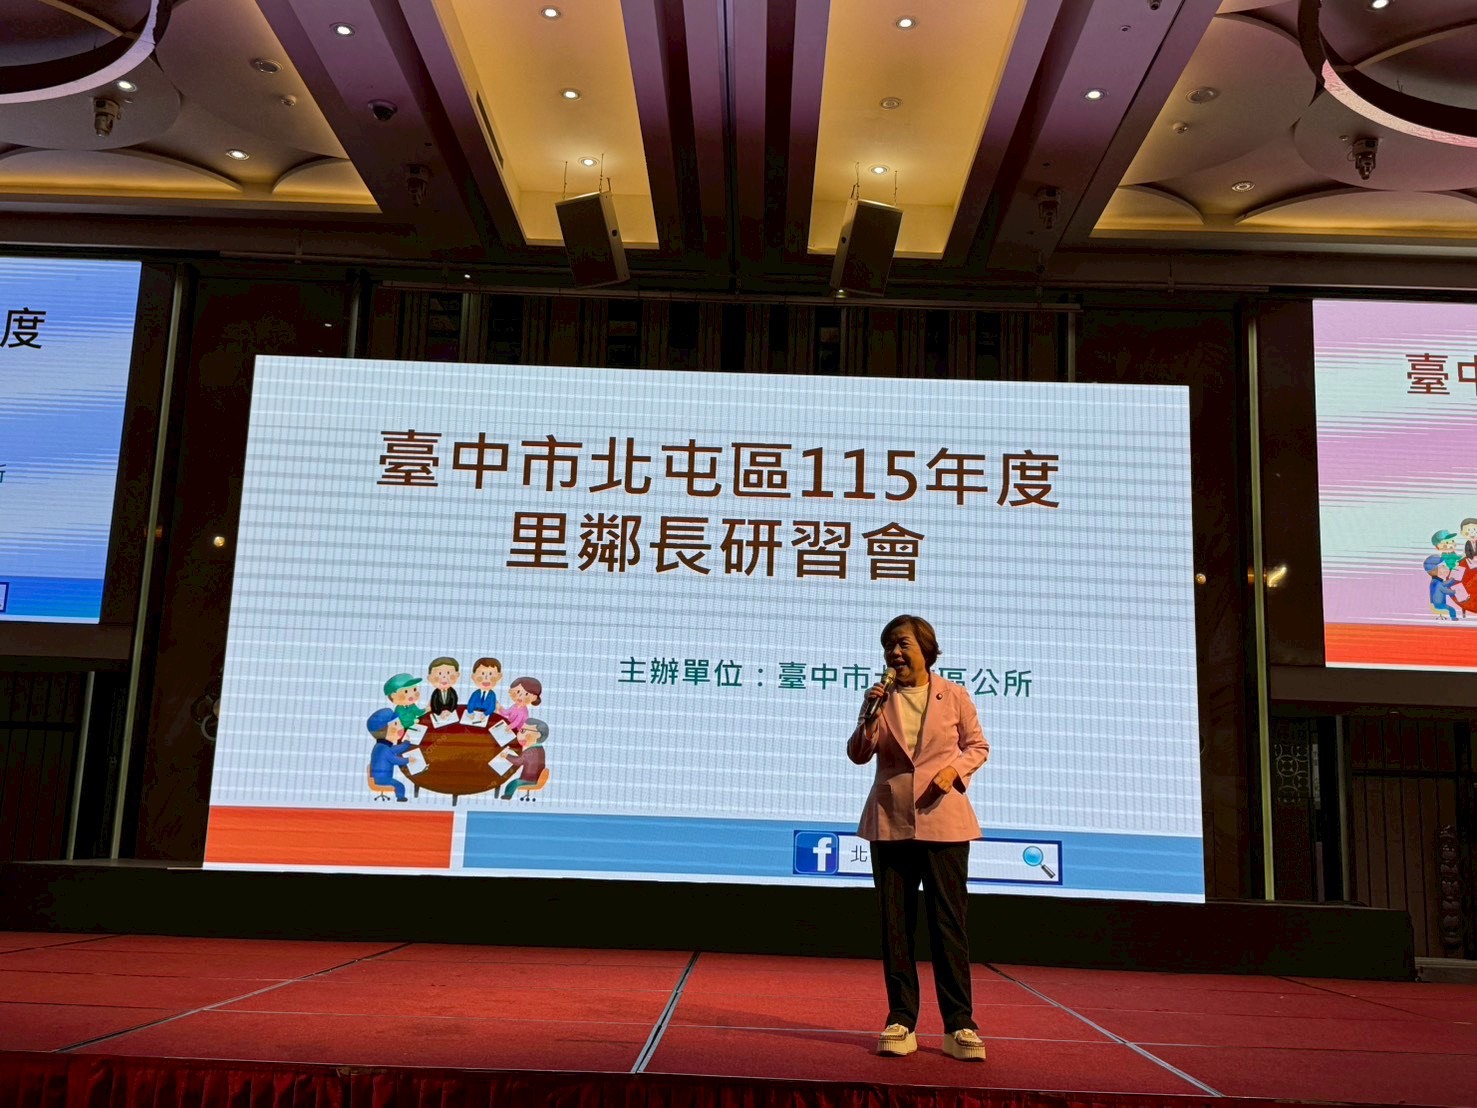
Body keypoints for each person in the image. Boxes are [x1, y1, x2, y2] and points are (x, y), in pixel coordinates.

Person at [847, 614, 990, 1062]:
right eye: (889, 645)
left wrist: (953, 772)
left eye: (903, 644)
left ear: (926, 649)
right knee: (896, 924)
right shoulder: (880, 698)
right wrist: (868, 716)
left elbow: (978, 746)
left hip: (943, 819)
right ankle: (901, 1020)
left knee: (948, 923)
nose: (894, 652)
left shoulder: (955, 695)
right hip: (890, 820)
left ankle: (959, 1025)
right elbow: (858, 754)